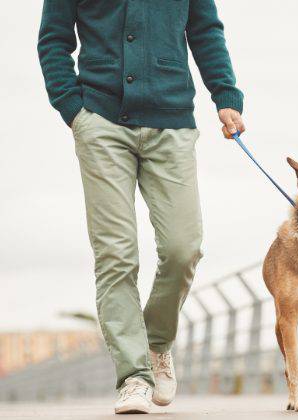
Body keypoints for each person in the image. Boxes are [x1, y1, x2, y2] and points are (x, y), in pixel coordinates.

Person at [37, 0, 245, 414]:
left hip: (173, 123)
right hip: (99, 121)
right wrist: (72, 109)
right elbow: (54, 41)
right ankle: (134, 377)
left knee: (183, 247)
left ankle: (156, 343)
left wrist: (224, 93)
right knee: (116, 255)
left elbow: (205, 31)